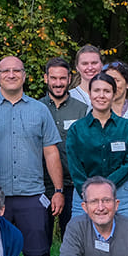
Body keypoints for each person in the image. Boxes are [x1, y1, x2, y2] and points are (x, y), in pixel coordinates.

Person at [0, 55, 65, 256]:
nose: (10, 74)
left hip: (32, 196)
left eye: (16, 70)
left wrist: (57, 189)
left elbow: (51, 151)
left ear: (24, 75)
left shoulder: (39, 110)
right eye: (5, 71)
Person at [66, 72, 128, 222]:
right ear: (90, 93)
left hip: (122, 193)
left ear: (113, 94)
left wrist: (107, 185)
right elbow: (74, 165)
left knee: (127, 241)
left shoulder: (126, 127)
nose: (101, 95)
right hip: (85, 192)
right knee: (83, 241)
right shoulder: (77, 129)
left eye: (107, 91)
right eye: (97, 90)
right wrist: (92, 191)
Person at [41, 56, 89, 232]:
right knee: (41, 237)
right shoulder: (37, 108)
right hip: (43, 185)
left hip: (73, 184)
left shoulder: (82, 109)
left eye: (62, 78)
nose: (58, 83)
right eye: (53, 78)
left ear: (69, 79)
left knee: (73, 235)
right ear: (46, 78)